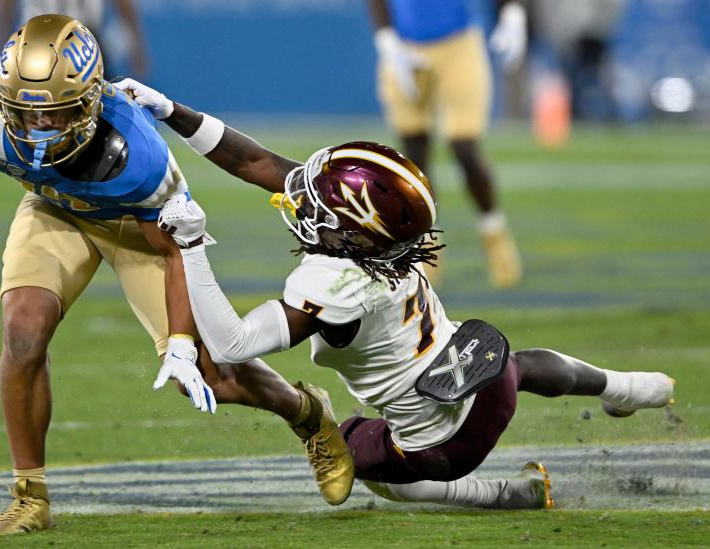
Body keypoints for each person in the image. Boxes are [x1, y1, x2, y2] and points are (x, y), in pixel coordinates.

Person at [0, 15, 351, 536]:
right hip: (55, 209)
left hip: (142, 233)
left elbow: (180, 248)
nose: (38, 124)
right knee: (23, 332)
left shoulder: (136, 158)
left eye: (54, 111)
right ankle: (29, 493)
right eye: (27, 109)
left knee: (214, 374)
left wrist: (180, 343)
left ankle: (306, 412)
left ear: (89, 102)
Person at [115, 78, 676, 509]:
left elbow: (234, 345)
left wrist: (190, 246)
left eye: (322, 201)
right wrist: (171, 112)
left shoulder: (332, 285)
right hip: (488, 379)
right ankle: (632, 387)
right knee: (523, 365)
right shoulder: (388, 242)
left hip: (439, 447)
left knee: (352, 453)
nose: (306, 199)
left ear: (351, 230)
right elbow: (261, 163)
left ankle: (505, 493)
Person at [368, 0, 526, 288]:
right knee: (414, 155)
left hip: (458, 42)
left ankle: (494, 231)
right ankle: (425, 245)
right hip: (404, 44)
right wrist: (387, 41)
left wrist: (512, 10)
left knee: (463, 145)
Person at [0, 0, 150, 78]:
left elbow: (6, 7)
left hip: (41, 40)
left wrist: (5, 48)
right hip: (79, 41)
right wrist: (136, 46)